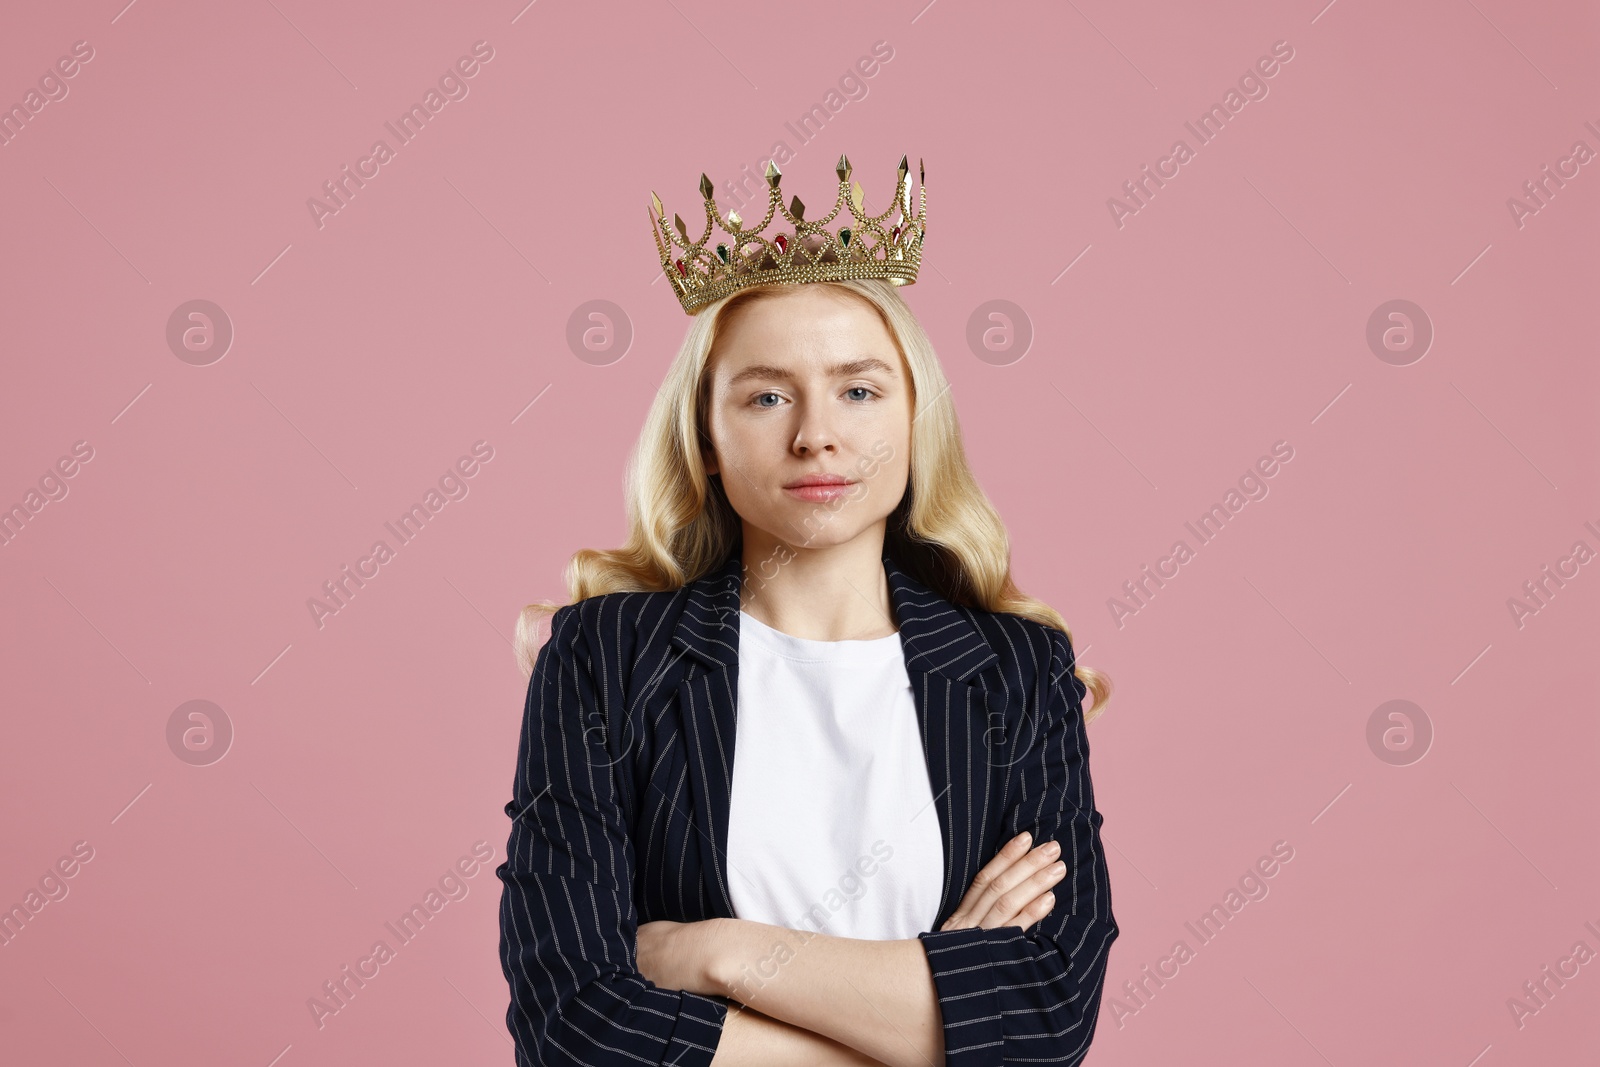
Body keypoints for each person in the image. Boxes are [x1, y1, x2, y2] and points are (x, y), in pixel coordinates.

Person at [497, 154, 1118, 1067]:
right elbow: (575, 1026)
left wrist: (716, 953)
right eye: (766, 395)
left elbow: (1046, 1018)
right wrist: (930, 1014)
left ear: (915, 422)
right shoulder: (606, 659)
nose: (816, 433)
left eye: (860, 390)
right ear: (706, 437)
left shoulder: (1016, 672)